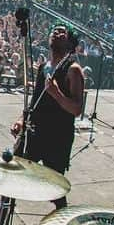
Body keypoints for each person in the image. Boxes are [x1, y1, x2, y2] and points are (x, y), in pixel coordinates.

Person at [11, 24, 85, 209]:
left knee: (55, 188)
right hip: (34, 132)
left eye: (62, 32)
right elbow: (35, 101)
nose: (56, 33)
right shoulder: (44, 67)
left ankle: (60, 224)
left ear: (70, 42)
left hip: (57, 138)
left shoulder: (73, 70)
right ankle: (3, 216)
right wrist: (21, 120)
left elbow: (76, 109)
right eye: (54, 30)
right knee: (12, 173)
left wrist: (56, 93)